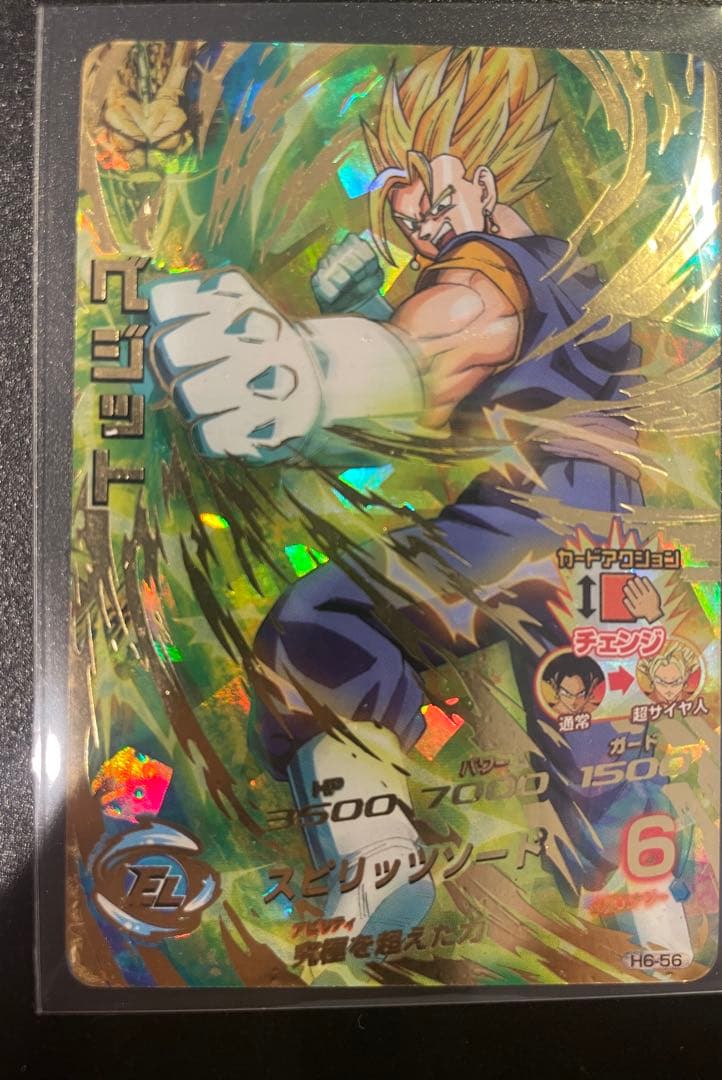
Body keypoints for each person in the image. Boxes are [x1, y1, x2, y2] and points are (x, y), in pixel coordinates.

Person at [148, 47, 644, 935]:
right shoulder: (562, 272)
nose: (409, 207)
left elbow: (453, 338)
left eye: (428, 184)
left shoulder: (494, 269)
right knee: (600, 767)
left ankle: (386, 843)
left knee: (315, 626)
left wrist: (310, 371)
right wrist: (371, 322)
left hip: (520, 537)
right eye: (395, 187)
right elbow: (455, 361)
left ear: (485, 182)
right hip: (604, 556)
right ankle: (656, 928)